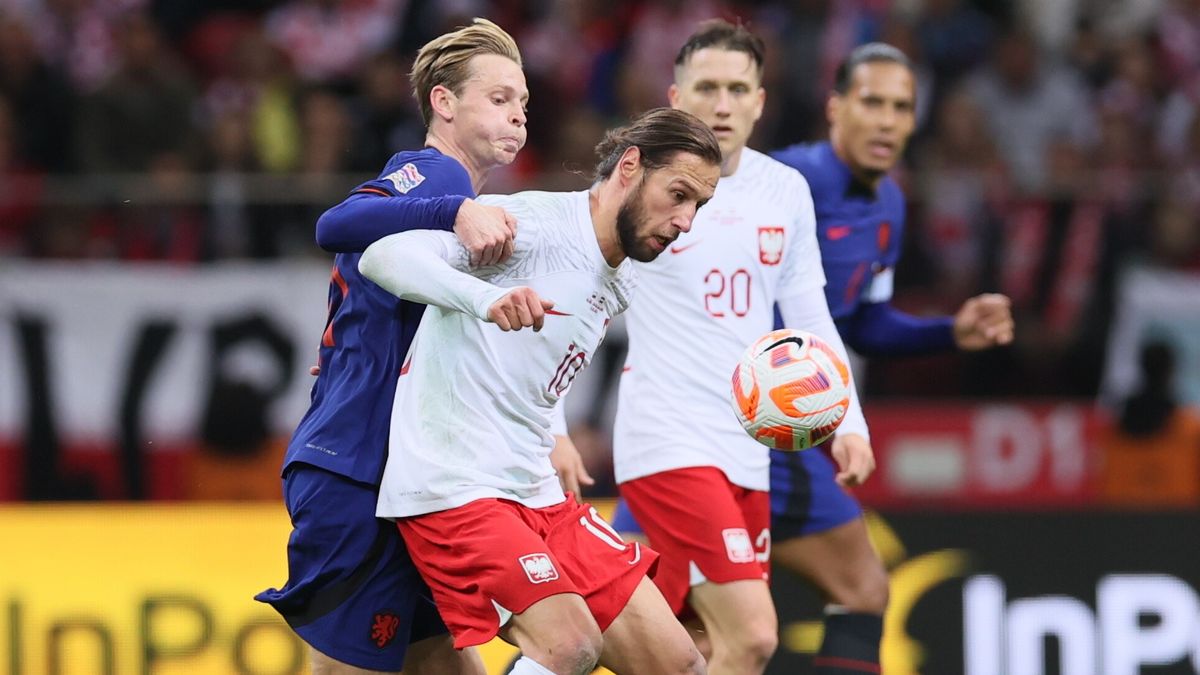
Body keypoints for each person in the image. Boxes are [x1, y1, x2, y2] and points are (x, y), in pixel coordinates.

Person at [358, 106, 721, 675]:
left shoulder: (618, 273)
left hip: (535, 493)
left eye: (699, 205)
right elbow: (383, 256)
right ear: (630, 167)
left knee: (681, 665)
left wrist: (556, 432)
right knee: (570, 646)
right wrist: (484, 299)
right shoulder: (531, 225)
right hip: (456, 486)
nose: (687, 220)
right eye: (678, 194)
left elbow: (533, 367)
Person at [256, 19, 527, 674]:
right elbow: (336, 221)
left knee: (447, 661)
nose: (518, 115)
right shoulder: (431, 173)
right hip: (354, 463)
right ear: (443, 101)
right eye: (498, 98)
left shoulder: (470, 201)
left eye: (523, 102)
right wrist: (450, 211)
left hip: (412, 476)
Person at [609, 21, 874, 675]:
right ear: (675, 98)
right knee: (754, 633)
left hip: (750, 449)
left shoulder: (784, 190)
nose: (721, 105)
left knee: (689, 641)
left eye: (737, 89)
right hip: (668, 441)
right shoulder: (635, 186)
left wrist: (849, 421)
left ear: (760, 101)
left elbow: (809, 315)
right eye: (706, 88)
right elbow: (571, 297)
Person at [767, 43, 1014, 672]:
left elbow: (862, 322)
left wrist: (949, 332)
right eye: (871, 102)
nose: (886, 121)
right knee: (708, 627)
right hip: (734, 425)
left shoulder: (890, 206)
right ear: (835, 107)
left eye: (901, 108)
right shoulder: (785, 182)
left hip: (787, 436)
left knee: (854, 593)